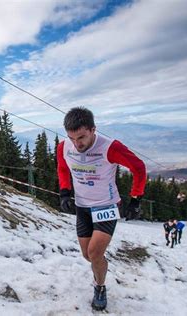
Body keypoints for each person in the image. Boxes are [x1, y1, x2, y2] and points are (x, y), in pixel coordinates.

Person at [56, 107, 146, 311]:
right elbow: (62, 168)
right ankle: (100, 268)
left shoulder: (110, 147)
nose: (77, 144)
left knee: (94, 253)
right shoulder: (64, 147)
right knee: (87, 255)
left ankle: (100, 287)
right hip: (82, 206)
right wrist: (64, 192)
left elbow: (138, 167)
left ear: (93, 130)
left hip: (106, 205)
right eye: (72, 138)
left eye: (81, 137)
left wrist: (136, 199)